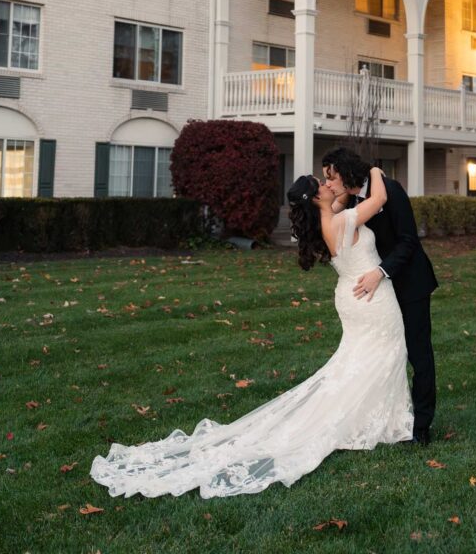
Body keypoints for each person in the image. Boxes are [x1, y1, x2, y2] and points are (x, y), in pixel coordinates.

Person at [90, 167, 412, 500]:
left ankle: (370, 417)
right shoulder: (340, 221)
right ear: (318, 197)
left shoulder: (327, 216)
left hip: (353, 294)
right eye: (323, 183)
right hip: (369, 297)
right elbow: (380, 198)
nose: (329, 184)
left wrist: (342, 178)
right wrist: (374, 168)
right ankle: (371, 420)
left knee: (359, 359)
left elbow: (342, 195)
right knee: (381, 352)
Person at [322, 146, 438, 445]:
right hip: (379, 295)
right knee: (383, 353)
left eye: (332, 178)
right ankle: (386, 416)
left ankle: (422, 427)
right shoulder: (350, 199)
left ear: (346, 174)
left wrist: (381, 272)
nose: (329, 185)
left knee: (418, 353)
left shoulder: (390, 190)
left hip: (408, 283)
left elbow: (408, 241)